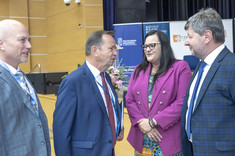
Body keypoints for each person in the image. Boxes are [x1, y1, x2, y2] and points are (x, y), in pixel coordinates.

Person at [53, 30, 124, 156]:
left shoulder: (106, 78)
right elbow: (61, 131)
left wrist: (117, 126)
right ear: (95, 51)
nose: (116, 53)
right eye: (111, 49)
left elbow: (106, 109)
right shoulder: (73, 82)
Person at [125, 30, 192, 156]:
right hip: (142, 139)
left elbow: (182, 102)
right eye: (145, 46)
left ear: (164, 46)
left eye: (152, 45)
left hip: (168, 140)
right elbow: (129, 100)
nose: (147, 49)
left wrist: (152, 122)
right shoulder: (138, 70)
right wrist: (142, 123)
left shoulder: (180, 67)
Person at [181, 8, 235, 156]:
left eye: (190, 37)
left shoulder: (231, 65)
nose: (186, 42)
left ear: (206, 36)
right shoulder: (201, 66)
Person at [0, 19, 51, 155]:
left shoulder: (21, 76)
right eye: (22, 40)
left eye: (28, 40)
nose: (29, 46)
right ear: (1, 44)